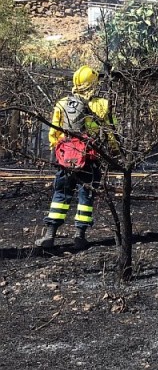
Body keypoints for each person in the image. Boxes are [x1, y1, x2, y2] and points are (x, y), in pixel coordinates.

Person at [36, 65, 116, 250]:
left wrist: (60, 153)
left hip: (65, 159)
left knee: (60, 195)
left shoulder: (62, 103)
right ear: (94, 83)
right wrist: (114, 151)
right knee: (85, 196)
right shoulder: (102, 104)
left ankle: (50, 235)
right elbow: (111, 132)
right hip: (89, 158)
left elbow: (54, 134)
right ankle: (80, 236)